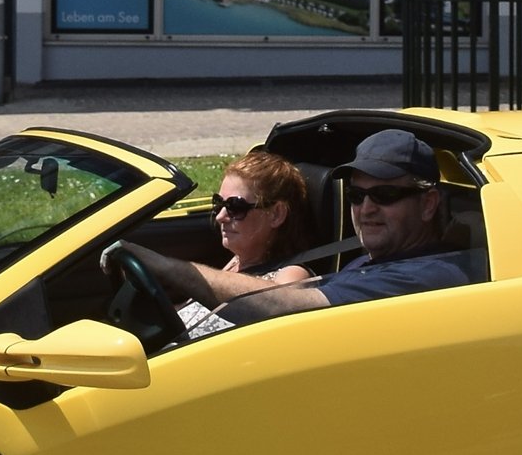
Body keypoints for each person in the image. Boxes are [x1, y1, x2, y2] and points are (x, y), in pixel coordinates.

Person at [115, 128, 471, 330]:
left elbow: (289, 310)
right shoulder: (369, 262)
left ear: (428, 204)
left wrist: (170, 268)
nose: (366, 208)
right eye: (357, 195)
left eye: (385, 195)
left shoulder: (425, 275)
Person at [146, 150, 316, 334]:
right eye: (219, 203)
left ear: (276, 214)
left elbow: (284, 315)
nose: (220, 216)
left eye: (235, 207)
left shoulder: (291, 274)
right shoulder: (237, 261)